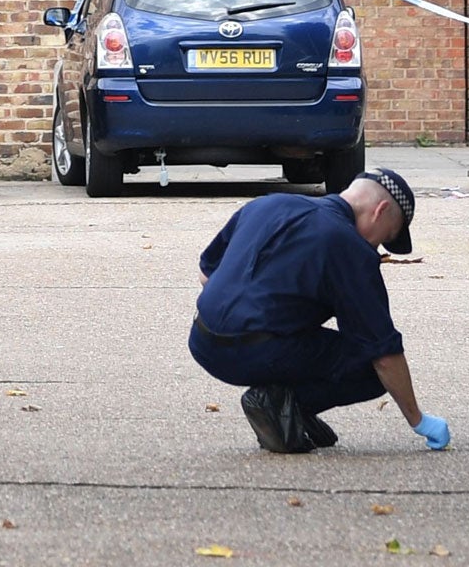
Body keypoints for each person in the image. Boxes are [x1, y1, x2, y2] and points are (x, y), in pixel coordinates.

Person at [189, 167, 450, 452]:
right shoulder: (350, 249)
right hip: (257, 351)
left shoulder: (267, 203)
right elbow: (383, 353)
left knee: (297, 330)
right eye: (385, 236)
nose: (377, 247)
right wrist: (419, 421)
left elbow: (206, 274)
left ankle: (290, 413)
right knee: (372, 370)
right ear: (380, 211)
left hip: (202, 340)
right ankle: (283, 406)